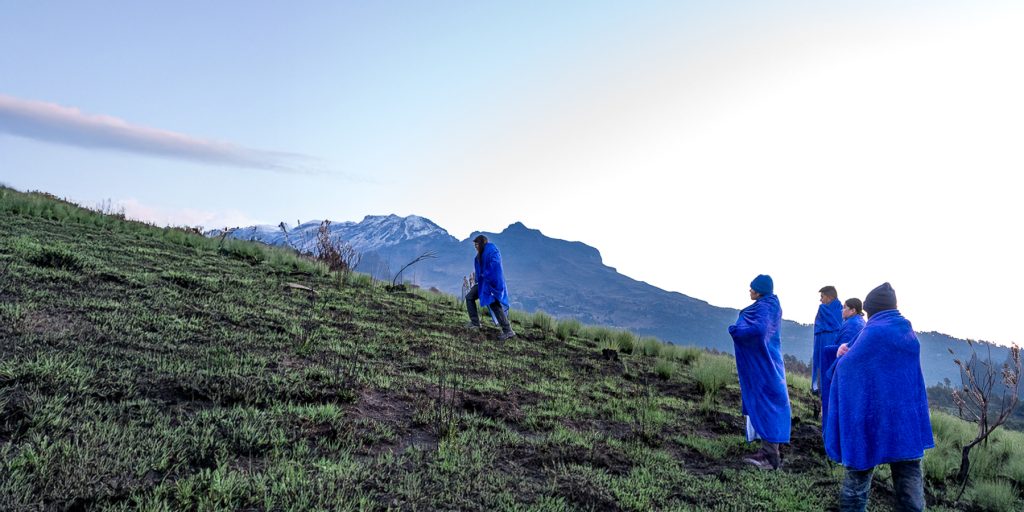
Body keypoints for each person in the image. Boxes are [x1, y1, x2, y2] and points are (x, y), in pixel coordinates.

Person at [824, 283, 934, 511]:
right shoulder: (907, 331)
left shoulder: (874, 331)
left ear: (872, 309)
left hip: (872, 418)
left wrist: (840, 355)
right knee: (909, 475)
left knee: (858, 474)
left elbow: (847, 368)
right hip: (905, 421)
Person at [728, 274, 791, 470]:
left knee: (767, 402)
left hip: (765, 364)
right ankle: (769, 451)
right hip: (771, 361)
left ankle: (770, 457)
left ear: (759, 290)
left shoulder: (764, 307)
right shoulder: (772, 305)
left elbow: (758, 330)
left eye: (752, 287)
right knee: (767, 400)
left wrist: (736, 330)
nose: (749, 290)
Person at [819, 298, 866, 434]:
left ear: (853, 310)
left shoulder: (853, 325)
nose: (842, 310)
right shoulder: (857, 322)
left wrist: (827, 350)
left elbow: (846, 349)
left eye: (845, 308)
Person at [465, 234, 516, 340]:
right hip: (483, 284)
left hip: (492, 284)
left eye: (477, 244)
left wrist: (486, 274)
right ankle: (475, 323)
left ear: (482, 243)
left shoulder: (492, 250)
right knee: (469, 297)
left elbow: (496, 264)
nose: (475, 246)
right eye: (475, 245)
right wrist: (479, 279)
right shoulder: (480, 254)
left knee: (494, 305)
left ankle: (508, 331)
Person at [812, 286, 843, 396]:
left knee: (823, 367)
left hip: (824, 346)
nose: (820, 300)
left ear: (829, 297)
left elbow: (818, 327)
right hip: (837, 346)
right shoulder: (842, 310)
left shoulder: (822, 310)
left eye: (822, 296)